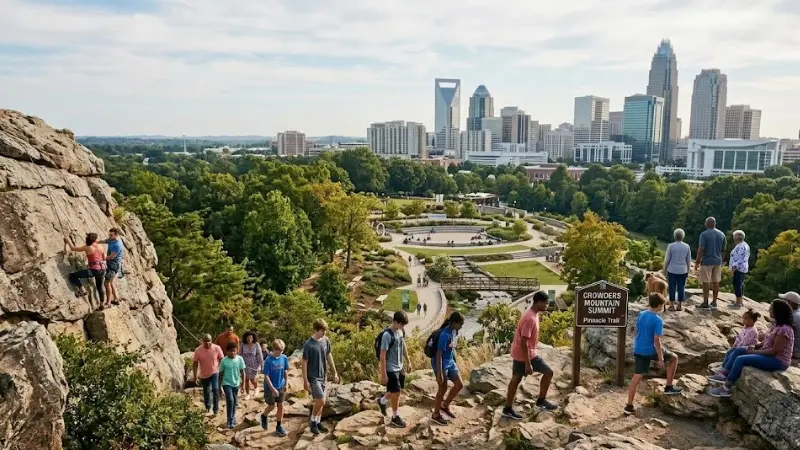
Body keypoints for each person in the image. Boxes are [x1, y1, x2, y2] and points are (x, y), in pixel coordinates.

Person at [708, 299, 795, 397]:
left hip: (778, 361)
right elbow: (767, 342)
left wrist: (754, 352)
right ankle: (724, 373)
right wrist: (756, 346)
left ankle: (726, 388)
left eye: (771, 309)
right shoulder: (775, 325)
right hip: (768, 354)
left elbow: (774, 351)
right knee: (738, 350)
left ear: (777, 311)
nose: (769, 310)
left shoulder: (784, 329)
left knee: (741, 359)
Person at [624, 293, 682, 415]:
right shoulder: (657, 320)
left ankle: (629, 406)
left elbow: (635, 331)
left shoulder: (641, 314)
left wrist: (639, 341)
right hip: (650, 350)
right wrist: (660, 359)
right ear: (659, 305)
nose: (662, 308)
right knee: (674, 358)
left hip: (638, 349)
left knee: (637, 377)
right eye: (662, 306)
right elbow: (657, 340)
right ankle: (669, 387)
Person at [502, 291, 557, 420]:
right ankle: (508, 408)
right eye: (545, 303)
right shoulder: (529, 318)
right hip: (524, 355)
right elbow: (523, 342)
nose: (547, 306)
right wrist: (528, 364)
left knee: (547, 372)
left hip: (529, 353)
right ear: (538, 302)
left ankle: (540, 401)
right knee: (516, 380)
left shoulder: (534, 314)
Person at [302, 319, 339, 435]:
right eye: (322, 331)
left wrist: (335, 372)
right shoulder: (309, 344)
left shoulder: (326, 340)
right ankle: (313, 422)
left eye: (325, 331)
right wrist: (305, 380)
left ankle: (318, 422)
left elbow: (329, 355)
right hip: (313, 377)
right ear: (316, 330)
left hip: (324, 375)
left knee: (321, 402)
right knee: (321, 400)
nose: (324, 333)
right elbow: (304, 362)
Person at [377, 311, 413, 428]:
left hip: (400, 366)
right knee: (396, 392)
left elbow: (403, 346)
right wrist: (383, 374)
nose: (403, 327)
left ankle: (382, 401)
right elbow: (382, 355)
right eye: (401, 324)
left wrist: (408, 361)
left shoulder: (400, 331)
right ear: (395, 321)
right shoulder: (387, 335)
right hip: (390, 368)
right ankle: (395, 417)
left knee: (395, 390)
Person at [431, 312, 465, 425]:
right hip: (440, 364)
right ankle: (435, 414)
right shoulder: (444, 335)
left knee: (459, 384)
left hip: (450, 362)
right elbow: (439, 355)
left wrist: (455, 362)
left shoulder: (454, 331)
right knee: (442, 388)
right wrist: (440, 373)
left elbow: (452, 348)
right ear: (454, 323)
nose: (461, 326)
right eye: (460, 324)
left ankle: (444, 406)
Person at [65, 233, 107, 308]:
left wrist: (68, 241)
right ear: (95, 239)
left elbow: (73, 249)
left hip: (93, 270)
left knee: (73, 276)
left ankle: (82, 289)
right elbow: (104, 258)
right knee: (100, 287)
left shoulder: (88, 247)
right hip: (102, 269)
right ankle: (102, 304)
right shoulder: (101, 246)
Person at [695, 217, 726, 310]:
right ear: (715, 224)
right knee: (716, 281)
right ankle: (715, 301)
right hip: (718, 261)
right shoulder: (722, 234)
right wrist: (721, 260)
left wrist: (697, 262)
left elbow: (701, 249)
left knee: (706, 281)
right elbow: (724, 250)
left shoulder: (704, 235)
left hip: (707, 261)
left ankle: (705, 302)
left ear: (706, 224)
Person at [261, 339, 289, 437]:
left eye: (282, 350)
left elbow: (285, 371)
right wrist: (272, 389)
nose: (281, 352)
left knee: (281, 406)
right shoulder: (268, 360)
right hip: (270, 387)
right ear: (274, 349)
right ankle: (264, 416)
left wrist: (286, 383)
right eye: (279, 350)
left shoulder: (284, 358)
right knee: (271, 406)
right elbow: (266, 376)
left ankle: (279, 426)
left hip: (280, 385)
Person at [192, 334, 224, 416]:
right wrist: (195, 376)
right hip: (204, 374)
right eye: (205, 342)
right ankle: (208, 407)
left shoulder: (217, 348)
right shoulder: (198, 350)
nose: (207, 343)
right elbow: (195, 364)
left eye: (209, 342)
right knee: (206, 392)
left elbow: (221, 359)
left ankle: (216, 409)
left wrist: (221, 370)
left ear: (211, 341)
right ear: (202, 342)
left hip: (214, 372)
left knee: (215, 389)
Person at [218, 341, 246, 429]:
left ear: (237, 351)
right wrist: (219, 387)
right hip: (226, 383)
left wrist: (243, 385)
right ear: (227, 352)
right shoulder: (223, 361)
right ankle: (229, 420)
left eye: (235, 351)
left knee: (235, 401)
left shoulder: (240, 359)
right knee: (230, 400)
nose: (233, 353)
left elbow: (243, 372)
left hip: (236, 383)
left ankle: (233, 417)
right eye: (231, 351)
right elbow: (220, 374)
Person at [663, 228, 691, 311]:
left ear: (674, 236)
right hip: (683, 270)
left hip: (672, 269)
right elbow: (688, 260)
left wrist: (664, 270)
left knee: (672, 287)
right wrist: (688, 271)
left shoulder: (671, 246)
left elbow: (667, 259)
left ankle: (671, 305)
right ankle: (679, 305)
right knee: (681, 287)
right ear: (683, 236)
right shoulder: (687, 246)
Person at [99, 228, 124, 305]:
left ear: (116, 235)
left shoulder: (117, 244)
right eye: (109, 234)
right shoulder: (111, 240)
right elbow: (103, 241)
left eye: (111, 235)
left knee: (106, 283)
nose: (109, 236)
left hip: (114, 265)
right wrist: (94, 242)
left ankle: (108, 302)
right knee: (111, 282)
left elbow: (111, 256)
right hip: (111, 263)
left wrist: (101, 259)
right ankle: (116, 299)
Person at [728, 230, 750, 309]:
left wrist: (733, 268)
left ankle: (738, 303)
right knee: (740, 284)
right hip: (742, 268)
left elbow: (739, 259)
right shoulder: (744, 245)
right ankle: (739, 301)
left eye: (735, 235)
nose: (733, 237)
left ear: (738, 237)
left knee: (737, 284)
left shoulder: (741, 246)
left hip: (739, 268)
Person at [241, 331, 264, 400]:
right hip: (245, 365)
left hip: (254, 365)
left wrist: (262, 365)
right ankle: (247, 394)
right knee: (246, 379)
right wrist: (239, 364)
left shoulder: (256, 344)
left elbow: (260, 355)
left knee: (253, 379)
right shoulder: (243, 345)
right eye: (248, 337)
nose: (249, 339)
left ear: (253, 338)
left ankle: (256, 388)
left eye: (251, 337)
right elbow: (240, 354)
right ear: (245, 338)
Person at [780, 292, 800, 360]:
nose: (782, 302)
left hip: (794, 353)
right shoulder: (798, 313)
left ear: (789, 302)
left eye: (783, 300)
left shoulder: (791, 317)